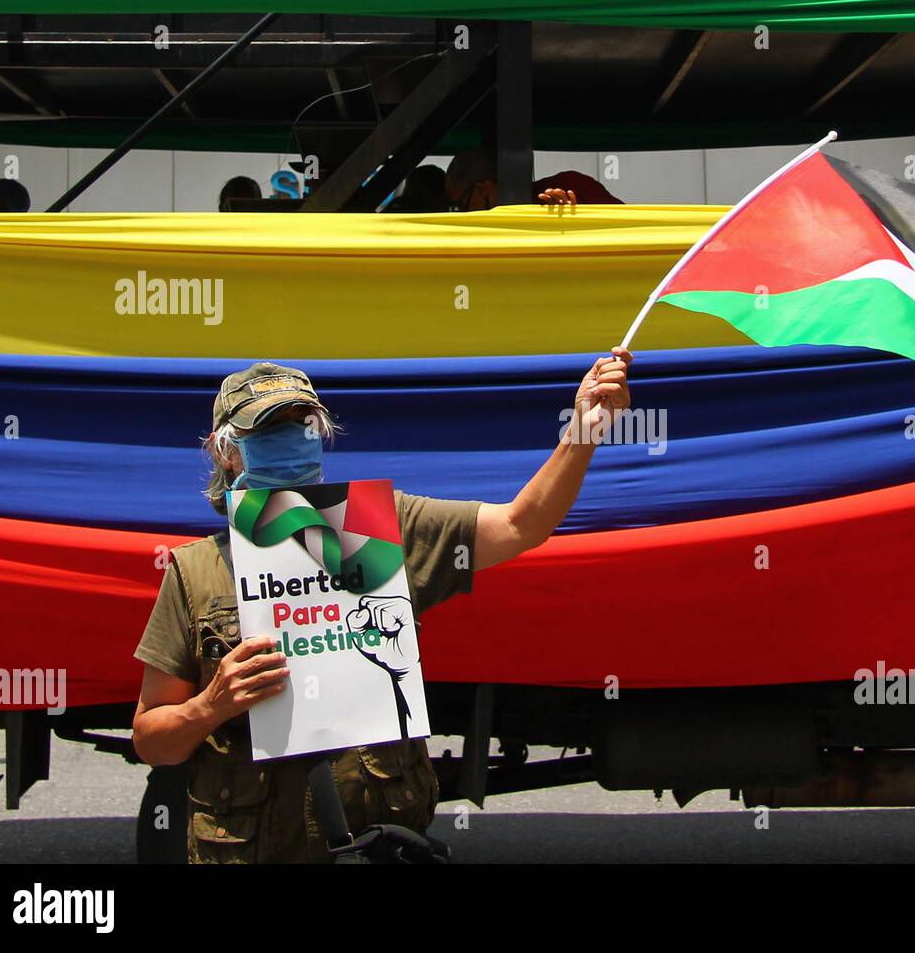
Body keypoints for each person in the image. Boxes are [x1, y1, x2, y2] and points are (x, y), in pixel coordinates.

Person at [132, 352, 632, 863]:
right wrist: (211, 704)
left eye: (301, 424)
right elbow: (153, 740)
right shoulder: (195, 571)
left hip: (378, 842)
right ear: (226, 452)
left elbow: (520, 526)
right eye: (267, 430)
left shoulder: (378, 528)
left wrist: (582, 433)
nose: (288, 438)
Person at [445, 146, 623, 211]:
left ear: (484, 187)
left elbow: (632, 231)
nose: (462, 214)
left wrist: (577, 219)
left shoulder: (570, 185)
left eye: (462, 204)